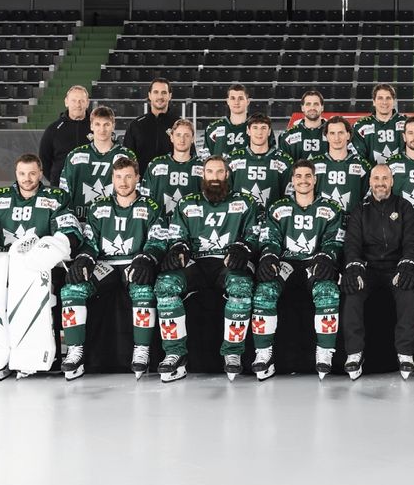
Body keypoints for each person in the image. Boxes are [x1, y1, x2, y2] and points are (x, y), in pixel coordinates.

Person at [0, 153, 82, 380]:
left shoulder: (55, 197)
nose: (27, 178)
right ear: (16, 173)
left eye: (32, 173)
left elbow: (70, 230)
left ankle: (31, 355)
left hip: (38, 267)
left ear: (41, 173)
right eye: (22, 173)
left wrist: (55, 247)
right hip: (0, 268)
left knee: (30, 304)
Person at [153, 155, 263, 382]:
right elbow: (176, 236)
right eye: (210, 172)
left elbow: (254, 234)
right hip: (196, 264)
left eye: (219, 172)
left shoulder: (245, 202)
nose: (215, 177)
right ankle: (175, 353)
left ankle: (233, 354)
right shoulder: (187, 203)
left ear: (227, 174)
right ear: (203, 175)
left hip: (227, 263)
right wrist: (179, 249)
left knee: (241, 286)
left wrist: (243, 248)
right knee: (165, 285)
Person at [58, 157, 167, 380]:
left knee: (143, 291)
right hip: (105, 266)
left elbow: (157, 240)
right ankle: (75, 350)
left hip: (134, 263)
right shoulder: (99, 207)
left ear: (137, 178)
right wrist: (85, 259)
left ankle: (142, 350)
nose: (123, 182)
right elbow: (89, 241)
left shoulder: (151, 206)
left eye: (128, 176)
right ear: (112, 180)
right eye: (118, 177)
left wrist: (147, 258)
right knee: (71, 290)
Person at [252, 160, 345, 380]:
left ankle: (325, 353)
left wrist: (326, 255)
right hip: (287, 262)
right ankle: (263, 353)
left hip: (314, 261)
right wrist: (269, 256)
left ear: (315, 179)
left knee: (327, 292)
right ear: (292, 181)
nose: (303, 180)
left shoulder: (331, 208)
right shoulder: (278, 207)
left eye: (307, 176)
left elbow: (335, 240)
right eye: (298, 176)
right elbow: (270, 239)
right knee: (264, 291)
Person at [340, 164, 414, 380]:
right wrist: (354, 267)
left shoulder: (405, 207)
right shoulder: (360, 209)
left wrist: (407, 264)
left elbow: (412, 241)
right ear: (370, 182)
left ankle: (405, 353)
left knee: (408, 292)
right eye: (376, 179)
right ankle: (354, 354)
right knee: (352, 294)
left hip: (396, 268)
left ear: (392, 181)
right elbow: (352, 244)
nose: (381, 183)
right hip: (368, 269)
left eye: (385, 178)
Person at [59, 106, 137, 220]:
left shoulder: (127, 156)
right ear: (91, 126)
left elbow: (133, 191)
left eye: (106, 124)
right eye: (97, 124)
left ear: (113, 126)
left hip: (112, 222)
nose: (102, 129)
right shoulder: (75, 156)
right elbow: (64, 191)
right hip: (79, 220)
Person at [229, 113, 294, 213]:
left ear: (269, 132)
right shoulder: (233, 158)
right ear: (248, 131)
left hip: (272, 220)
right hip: (240, 220)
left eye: (263, 128)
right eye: (255, 127)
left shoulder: (284, 160)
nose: (259, 132)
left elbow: (289, 196)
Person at [310, 116, 372, 214]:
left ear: (348, 135)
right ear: (326, 136)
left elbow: (368, 199)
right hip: (323, 225)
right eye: (332, 133)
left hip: (353, 224)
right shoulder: (314, 165)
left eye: (341, 133)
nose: (336, 138)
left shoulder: (362, 165)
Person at [141, 118, 204, 215]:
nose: (182, 140)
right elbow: (144, 198)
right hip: (160, 226)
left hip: (191, 227)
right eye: (178, 135)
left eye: (186, 135)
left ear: (193, 139)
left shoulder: (203, 166)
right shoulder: (156, 165)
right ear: (171, 137)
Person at [122, 78, 182, 175]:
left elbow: (191, 156)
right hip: (143, 183)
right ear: (149, 95)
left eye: (164, 92)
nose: (160, 96)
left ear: (170, 96)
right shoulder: (136, 125)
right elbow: (126, 158)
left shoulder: (180, 125)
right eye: (156, 92)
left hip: (171, 184)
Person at [39, 85, 90, 187]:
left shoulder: (97, 127)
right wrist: (56, 178)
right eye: (74, 100)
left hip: (91, 186)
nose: (78, 104)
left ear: (87, 103)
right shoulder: (53, 129)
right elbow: (44, 159)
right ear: (66, 102)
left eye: (81, 101)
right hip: (61, 187)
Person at [353, 84, 407, 164]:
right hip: (372, 175)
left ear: (394, 102)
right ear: (374, 102)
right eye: (380, 98)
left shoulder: (407, 123)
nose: (384, 102)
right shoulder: (361, 126)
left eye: (388, 98)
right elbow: (358, 158)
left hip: (402, 175)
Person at [204, 84, 260, 159]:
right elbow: (206, 159)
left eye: (240, 98)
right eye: (233, 98)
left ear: (248, 101)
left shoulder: (259, 127)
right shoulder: (213, 128)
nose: (236, 102)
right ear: (228, 101)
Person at [281, 90, 329, 160]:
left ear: (322, 107)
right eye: (308, 104)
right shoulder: (288, 136)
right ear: (302, 108)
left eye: (316, 104)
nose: (312, 108)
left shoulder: (334, 133)